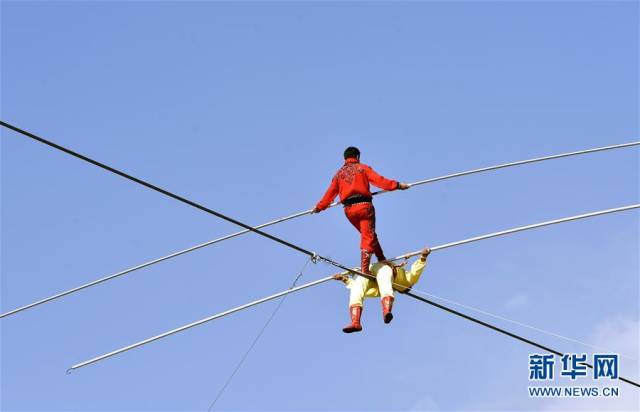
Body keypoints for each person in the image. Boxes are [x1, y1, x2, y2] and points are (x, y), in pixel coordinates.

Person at [312, 146, 409, 276]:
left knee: (368, 235)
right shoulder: (362, 168)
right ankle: (365, 270)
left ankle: (381, 258)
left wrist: (319, 207)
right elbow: (380, 181)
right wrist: (398, 185)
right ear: (357, 157)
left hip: (349, 211)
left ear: (345, 158)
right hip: (364, 207)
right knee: (367, 236)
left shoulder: (338, 174)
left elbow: (330, 193)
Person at [334, 247, 431, 333]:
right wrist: (423, 257)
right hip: (380, 268)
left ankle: (380, 314)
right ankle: (356, 322)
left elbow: (362, 291)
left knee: (357, 288)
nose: (401, 290)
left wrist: (344, 279)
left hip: (375, 273)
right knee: (384, 278)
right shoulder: (408, 281)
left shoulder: (384, 289)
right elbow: (415, 273)